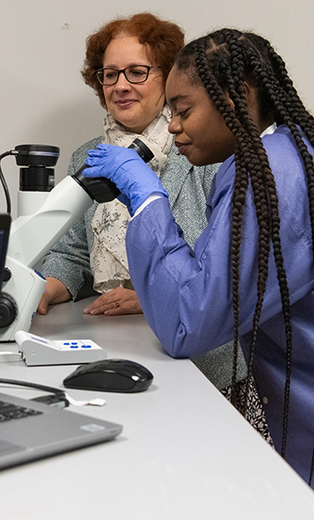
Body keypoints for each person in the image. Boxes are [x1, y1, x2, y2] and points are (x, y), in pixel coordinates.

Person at [82, 28, 314, 485]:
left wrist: (147, 200)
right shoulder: (286, 154)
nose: (172, 125)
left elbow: (189, 322)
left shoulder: (269, 175)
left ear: (237, 96)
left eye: (184, 111)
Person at [38, 13, 246, 394]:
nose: (121, 85)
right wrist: (41, 290)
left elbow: (217, 266)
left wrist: (148, 295)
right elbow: (72, 253)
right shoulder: (89, 156)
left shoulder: (203, 147)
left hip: (203, 358)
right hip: (117, 342)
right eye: (110, 74)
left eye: (137, 72)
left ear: (167, 77)